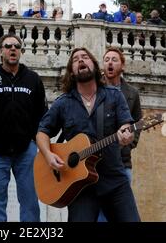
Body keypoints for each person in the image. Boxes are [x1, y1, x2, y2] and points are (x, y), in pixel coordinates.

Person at [36, 47, 140, 222]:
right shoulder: (63, 103)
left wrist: (126, 135)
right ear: (72, 71)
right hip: (80, 187)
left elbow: (126, 125)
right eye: (75, 60)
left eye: (85, 57)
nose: (80, 60)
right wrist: (48, 156)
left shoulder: (114, 96)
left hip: (114, 180)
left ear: (94, 65)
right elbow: (42, 132)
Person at [0, 33, 47, 222]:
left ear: (20, 52)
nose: (13, 49)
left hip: (26, 150)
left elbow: (43, 115)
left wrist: (38, 142)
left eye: (17, 46)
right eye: (8, 46)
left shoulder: (33, 79)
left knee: (30, 200)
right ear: (0, 51)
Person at [97, 47, 142, 221]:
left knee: (121, 213)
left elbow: (137, 123)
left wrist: (128, 142)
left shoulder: (132, 93)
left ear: (122, 66)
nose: (109, 62)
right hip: (95, 164)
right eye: (107, 59)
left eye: (114, 59)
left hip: (122, 162)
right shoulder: (93, 89)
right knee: (99, 215)